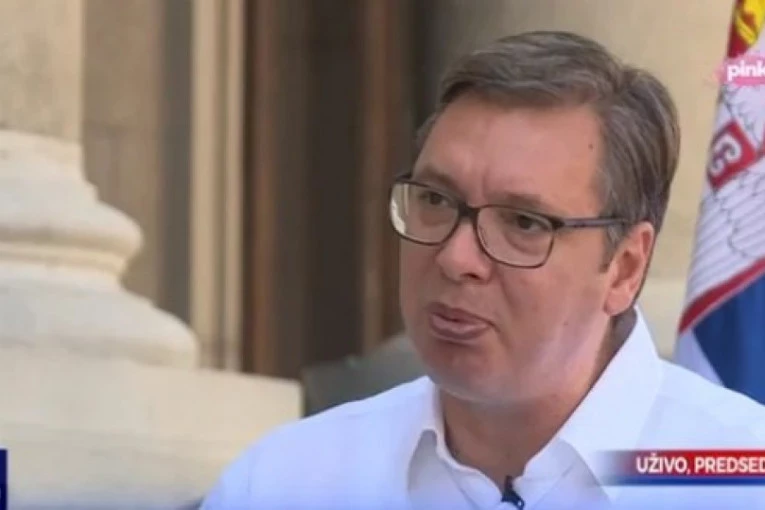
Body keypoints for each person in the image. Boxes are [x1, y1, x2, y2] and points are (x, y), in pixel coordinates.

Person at [201, 31, 765, 509]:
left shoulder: (739, 479)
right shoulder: (283, 483)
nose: (456, 258)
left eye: (523, 222)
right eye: (435, 200)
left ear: (624, 268)